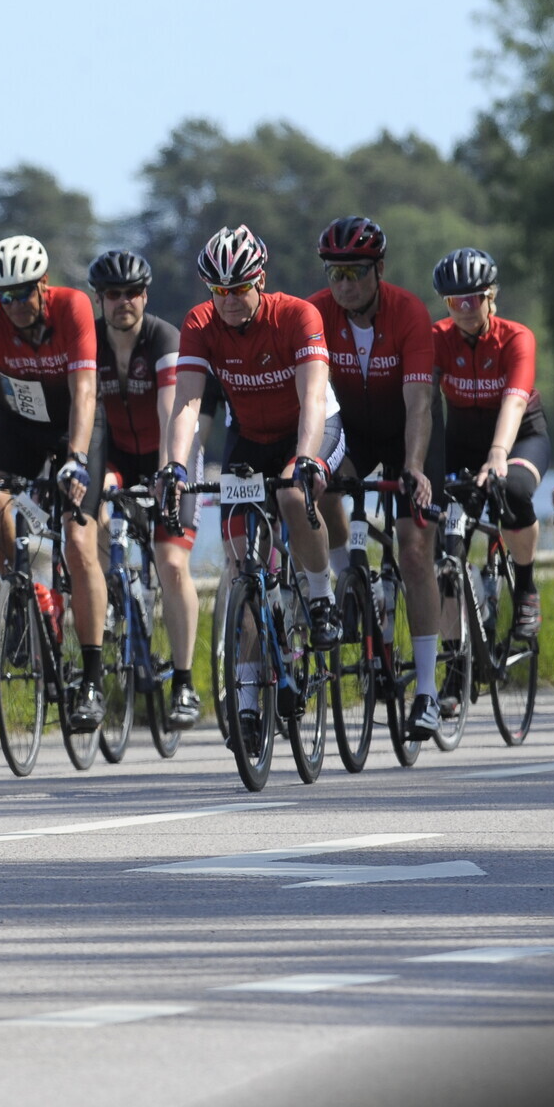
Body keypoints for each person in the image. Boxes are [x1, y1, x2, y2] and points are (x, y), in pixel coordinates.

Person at [158, 225, 342, 750]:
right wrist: (175, 466)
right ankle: (246, 701)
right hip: (250, 436)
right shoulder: (200, 322)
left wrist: (303, 459)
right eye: (219, 290)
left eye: (239, 288)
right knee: (244, 566)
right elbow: (187, 402)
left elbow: (312, 398)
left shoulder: (296, 316)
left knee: (290, 494)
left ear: (260, 280)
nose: (230, 300)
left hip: (312, 427)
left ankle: (321, 596)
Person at [0, 235, 108, 733]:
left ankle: (92, 677)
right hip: (21, 423)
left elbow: (85, 389)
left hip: (76, 424)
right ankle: (24, 598)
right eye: (4, 296)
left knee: (78, 541)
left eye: (23, 293)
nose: (14, 305)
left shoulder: (72, 307)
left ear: (43, 285)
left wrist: (76, 460)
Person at [305, 217, 443, 739]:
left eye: (356, 273)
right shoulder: (316, 313)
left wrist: (413, 467)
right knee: (320, 487)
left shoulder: (408, 312)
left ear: (379, 269)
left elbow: (420, 402)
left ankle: (426, 691)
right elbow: (314, 398)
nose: (345, 285)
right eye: (335, 274)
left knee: (414, 549)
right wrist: (321, 461)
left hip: (409, 431)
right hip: (354, 431)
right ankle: (349, 583)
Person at [86, 249, 201, 728]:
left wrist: (168, 473)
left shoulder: (163, 338)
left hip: (168, 452)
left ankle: (184, 682)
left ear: (145, 295)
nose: (123, 302)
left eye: (132, 292)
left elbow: (170, 409)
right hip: (115, 455)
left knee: (171, 563)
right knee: (91, 521)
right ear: (100, 299)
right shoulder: (90, 341)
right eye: (113, 294)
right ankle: (108, 604)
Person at [430, 247, 553, 650]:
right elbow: (421, 401)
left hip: (520, 437)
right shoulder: (437, 339)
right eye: (455, 302)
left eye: (474, 299)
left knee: (514, 491)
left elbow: (515, 400)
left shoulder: (516, 337)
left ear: (491, 296)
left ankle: (526, 587)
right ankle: (454, 660)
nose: (465, 309)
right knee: (446, 549)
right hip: (462, 442)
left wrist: (498, 452)